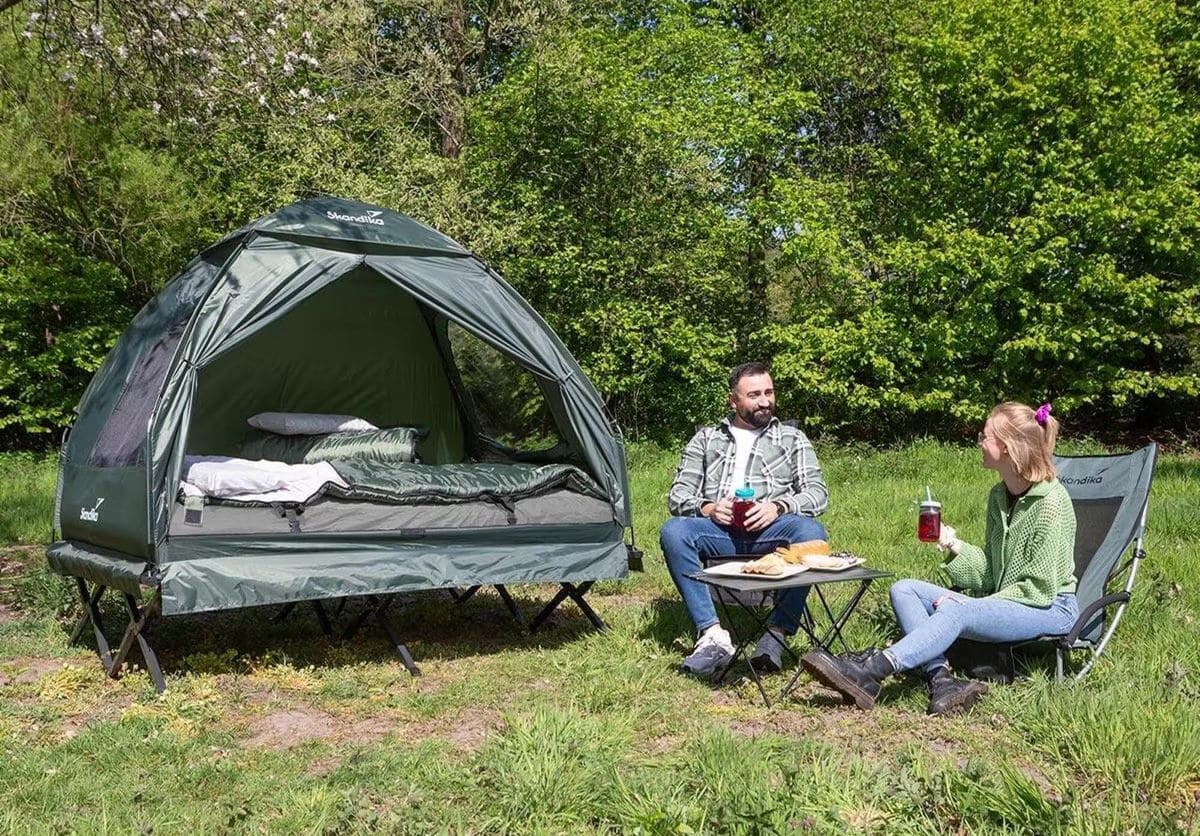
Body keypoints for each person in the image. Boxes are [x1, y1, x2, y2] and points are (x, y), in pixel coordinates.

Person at [802, 401, 1079, 715]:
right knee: (904, 589)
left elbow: (1038, 590)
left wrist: (970, 607)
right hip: (1011, 600)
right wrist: (954, 545)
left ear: (1006, 446)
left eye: (984, 436)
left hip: (1050, 608)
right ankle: (941, 680)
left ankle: (875, 670)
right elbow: (991, 575)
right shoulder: (999, 496)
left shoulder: (1051, 504)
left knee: (957, 612)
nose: (979, 443)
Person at [660, 362, 830, 678]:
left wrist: (779, 506)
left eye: (769, 392)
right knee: (673, 532)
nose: (765, 401)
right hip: (719, 531)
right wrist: (709, 508)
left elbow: (817, 494)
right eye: (754, 395)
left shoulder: (792, 438)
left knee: (811, 531)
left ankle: (775, 636)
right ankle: (712, 635)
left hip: (772, 532)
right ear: (733, 401)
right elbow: (678, 496)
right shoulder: (707, 439)